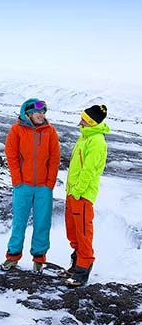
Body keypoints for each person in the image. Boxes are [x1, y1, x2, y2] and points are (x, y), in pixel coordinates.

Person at [1, 98, 61, 272]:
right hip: (23, 186)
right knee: (19, 222)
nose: (41, 115)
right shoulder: (16, 130)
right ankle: (12, 257)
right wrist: (17, 181)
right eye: (38, 112)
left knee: (42, 223)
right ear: (27, 113)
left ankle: (39, 258)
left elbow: (55, 158)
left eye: (43, 112)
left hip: (44, 187)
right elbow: (11, 155)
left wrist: (50, 182)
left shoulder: (50, 131)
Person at [61, 105, 109, 287]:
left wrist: (79, 191)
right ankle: (76, 264)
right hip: (72, 193)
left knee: (83, 232)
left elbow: (89, 170)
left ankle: (82, 271)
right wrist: (71, 191)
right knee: (72, 231)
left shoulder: (96, 141)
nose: (80, 121)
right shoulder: (85, 137)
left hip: (82, 195)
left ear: (91, 122)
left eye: (84, 119)